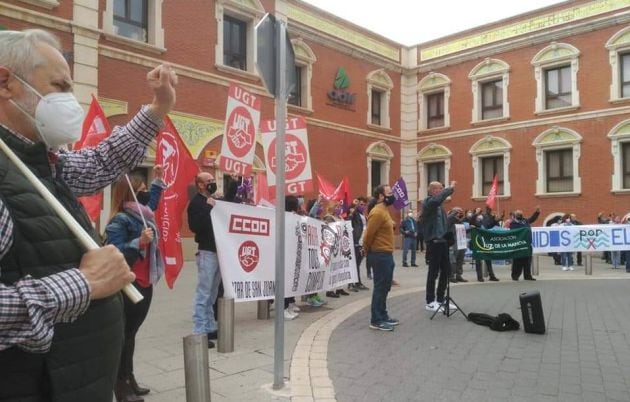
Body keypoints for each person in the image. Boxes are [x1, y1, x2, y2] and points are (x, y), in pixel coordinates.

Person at [0, 29, 176, 402]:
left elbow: (101, 161)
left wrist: (157, 109)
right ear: (5, 83)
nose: (69, 100)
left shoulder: (40, 161)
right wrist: (82, 284)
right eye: (59, 85)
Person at [105, 166, 165, 402]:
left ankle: (129, 377)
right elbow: (114, 251)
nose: (146, 193)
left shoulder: (144, 214)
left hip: (145, 282)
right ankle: (120, 386)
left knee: (131, 334)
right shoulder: (120, 219)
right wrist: (138, 242)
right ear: (129, 194)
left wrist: (158, 182)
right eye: (141, 190)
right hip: (129, 284)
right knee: (124, 335)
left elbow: (153, 203)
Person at [187, 171, 222, 347]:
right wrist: (208, 207)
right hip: (207, 252)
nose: (212, 183)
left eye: (213, 180)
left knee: (213, 293)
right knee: (204, 292)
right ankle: (199, 330)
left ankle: (210, 326)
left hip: (218, 251)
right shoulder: (196, 203)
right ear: (200, 185)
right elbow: (195, 226)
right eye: (209, 181)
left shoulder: (214, 201)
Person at [362, 184, 399, 331]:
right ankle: (376, 320)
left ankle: (383, 315)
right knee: (380, 287)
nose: (392, 195)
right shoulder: (377, 212)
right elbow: (369, 235)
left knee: (385, 287)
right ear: (381, 196)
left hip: (386, 253)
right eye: (389, 193)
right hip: (379, 254)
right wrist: (366, 250)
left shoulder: (384, 211)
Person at [422, 181, 458, 312]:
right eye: (439, 189)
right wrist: (450, 188)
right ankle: (430, 301)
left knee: (447, 271)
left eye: (442, 189)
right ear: (431, 191)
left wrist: (453, 215)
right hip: (434, 242)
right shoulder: (428, 203)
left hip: (442, 241)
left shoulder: (439, 207)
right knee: (433, 271)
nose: (441, 191)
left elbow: (444, 224)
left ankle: (440, 299)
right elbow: (437, 200)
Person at [508, 207, 540, 280]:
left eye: (521, 214)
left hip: (527, 244)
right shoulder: (513, 223)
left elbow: (532, 219)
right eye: (518, 214)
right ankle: (515, 276)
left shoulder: (525, 221)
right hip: (518, 244)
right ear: (515, 215)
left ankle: (527, 276)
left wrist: (537, 212)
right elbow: (513, 232)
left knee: (527, 261)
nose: (520, 215)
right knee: (517, 261)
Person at [348, 196, 369, 291]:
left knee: (358, 263)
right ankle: (354, 283)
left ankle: (356, 282)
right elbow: (349, 215)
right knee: (354, 263)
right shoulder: (355, 214)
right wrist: (354, 205)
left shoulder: (364, 216)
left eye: (364, 205)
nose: (363, 206)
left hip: (363, 242)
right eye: (361, 204)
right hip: (356, 242)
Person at [447, 207, 468, 282]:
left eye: (461, 212)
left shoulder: (460, 222)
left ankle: (459, 275)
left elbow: (462, 231)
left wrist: (470, 229)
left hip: (461, 243)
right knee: (453, 260)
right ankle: (451, 276)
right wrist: (454, 213)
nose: (460, 214)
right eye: (458, 212)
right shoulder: (449, 220)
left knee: (460, 260)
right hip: (453, 243)